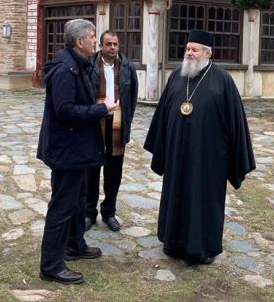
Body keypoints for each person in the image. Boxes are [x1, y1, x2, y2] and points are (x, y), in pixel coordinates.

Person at [144, 29, 255, 265]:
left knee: (203, 200)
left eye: (194, 49)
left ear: (207, 53)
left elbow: (236, 123)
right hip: (177, 153)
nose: (189, 53)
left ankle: (202, 248)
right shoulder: (177, 76)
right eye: (187, 49)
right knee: (175, 193)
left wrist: (236, 157)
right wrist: (161, 147)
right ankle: (173, 242)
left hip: (209, 158)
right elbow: (163, 114)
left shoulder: (223, 81)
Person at [37, 19, 120, 285]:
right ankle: (51, 266)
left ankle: (74, 245)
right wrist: (101, 109)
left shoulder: (79, 63)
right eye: (93, 36)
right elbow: (65, 111)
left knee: (78, 200)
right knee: (62, 206)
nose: (96, 40)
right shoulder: (65, 69)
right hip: (66, 151)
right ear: (79, 41)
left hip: (78, 149)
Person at [85, 30, 138, 232]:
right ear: (100, 46)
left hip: (117, 125)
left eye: (115, 44)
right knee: (91, 170)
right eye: (109, 44)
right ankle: (89, 212)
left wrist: (126, 121)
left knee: (114, 172)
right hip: (94, 123)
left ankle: (109, 212)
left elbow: (132, 97)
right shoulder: (89, 65)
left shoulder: (127, 67)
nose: (113, 47)